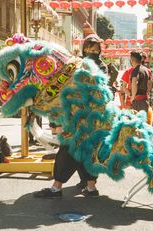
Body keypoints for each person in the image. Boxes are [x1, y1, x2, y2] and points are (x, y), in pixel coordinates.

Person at [34, 30, 102, 199]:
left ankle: (56, 188)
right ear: (84, 49)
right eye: (91, 50)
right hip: (77, 115)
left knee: (68, 149)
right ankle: (91, 188)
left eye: (96, 50)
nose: (94, 53)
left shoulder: (101, 66)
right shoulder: (76, 64)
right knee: (86, 151)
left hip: (87, 117)